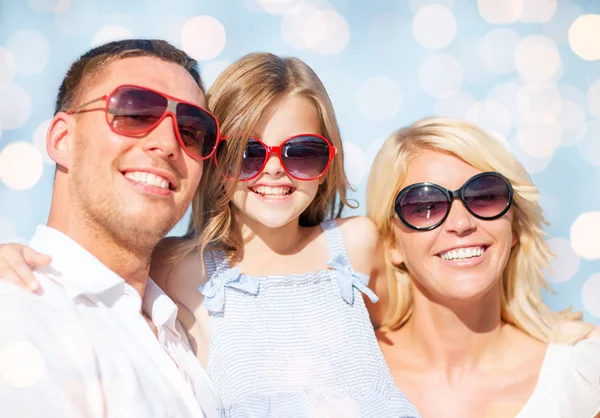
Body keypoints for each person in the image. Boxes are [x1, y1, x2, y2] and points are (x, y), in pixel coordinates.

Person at [0, 52, 421, 417]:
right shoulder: (176, 267)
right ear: (214, 159)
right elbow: (91, 269)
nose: (274, 169)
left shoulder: (357, 245)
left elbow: (411, 336)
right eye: (247, 153)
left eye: (302, 152)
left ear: (330, 158)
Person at [0, 39, 223, 417]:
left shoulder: (180, 327)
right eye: (135, 111)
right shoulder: (20, 311)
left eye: (191, 129)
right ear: (62, 139)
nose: (169, 143)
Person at [366, 117, 600, 418]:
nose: (461, 224)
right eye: (425, 205)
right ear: (391, 243)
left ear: (514, 224)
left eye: (485, 196)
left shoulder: (584, 373)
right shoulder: (339, 378)